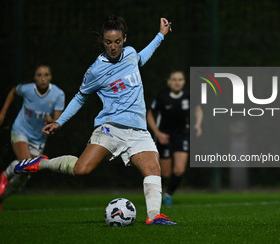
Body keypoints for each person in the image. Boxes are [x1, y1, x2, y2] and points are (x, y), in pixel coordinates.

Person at [14, 15, 176, 225]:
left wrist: (160, 36)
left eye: (117, 41)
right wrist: (59, 121)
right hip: (110, 127)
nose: (113, 47)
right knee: (82, 169)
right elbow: (80, 97)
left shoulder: (130, 54)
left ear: (124, 38)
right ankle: (42, 163)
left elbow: (141, 57)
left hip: (138, 130)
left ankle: (154, 216)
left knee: (153, 170)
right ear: (102, 41)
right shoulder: (95, 70)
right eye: (108, 42)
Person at [0, 64, 65, 210]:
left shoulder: (58, 94)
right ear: (34, 77)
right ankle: (6, 173)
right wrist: (3, 113)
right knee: (26, 163)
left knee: (26, 173)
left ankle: (1, 197)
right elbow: (13, 92)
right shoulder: (28, 89)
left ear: (51, 77)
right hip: (20, 130)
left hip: (39, 139)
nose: (43, 79)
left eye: (46, 75)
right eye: (39, 75)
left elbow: (57, 121)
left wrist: (51, 121)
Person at [147, 70, 202, 205]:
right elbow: (149, 114)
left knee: (179, 170)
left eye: (180, 79)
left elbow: (198, 109)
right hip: (164, 136)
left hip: (182, 134)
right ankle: (155, 195)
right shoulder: (162, 96)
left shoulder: (188, 95)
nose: (177, 82)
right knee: (165, 173)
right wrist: (158, 133)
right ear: (169, 82)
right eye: (174, 79)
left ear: (184, 82)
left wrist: (198, 124)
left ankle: (168, 195)